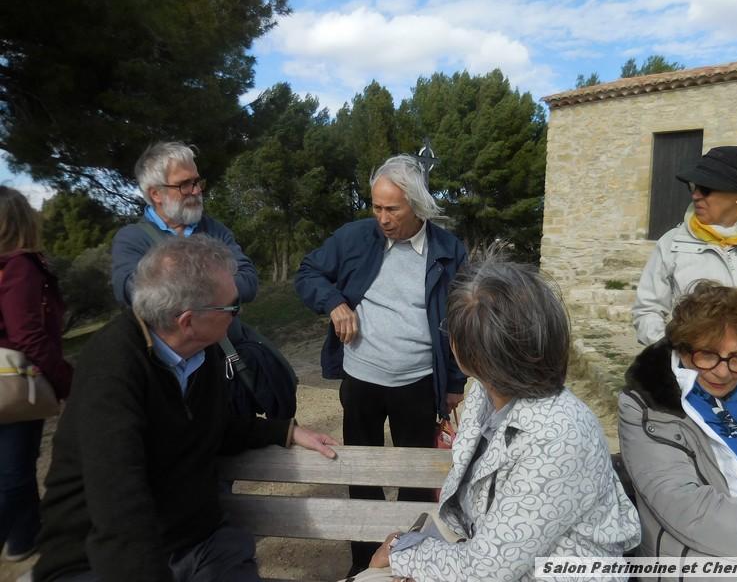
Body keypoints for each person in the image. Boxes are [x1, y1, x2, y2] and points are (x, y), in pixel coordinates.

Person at [33, 236, 337, 582]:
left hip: (196, 542)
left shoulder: (201, 352)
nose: (238, 314)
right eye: (232, 307)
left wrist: (284, 431)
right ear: (188, 321)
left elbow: (211, 425)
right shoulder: (112, 365)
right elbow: (119, 502)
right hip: (98, 557)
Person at [367, 260, 640, 581]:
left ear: (464, 352)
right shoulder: (484, 396)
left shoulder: (557, 434)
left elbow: (488, 570)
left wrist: (403, 551)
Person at [294, 154, 467, 575]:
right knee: (361, 475)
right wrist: (334, 303)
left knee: (416, 479)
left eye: (393, 209)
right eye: (376, 207)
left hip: (418, 383)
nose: (383, 219)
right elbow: (308, 273)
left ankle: (406, 565)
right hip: (361, 381)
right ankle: (362, 566)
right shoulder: (354, 237)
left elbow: (461, 319)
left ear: (418, 206)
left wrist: (454, 381)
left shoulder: (448, 250)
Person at [620, 281, 737, 564]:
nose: (722, 372)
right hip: (716, 562)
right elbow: (691, 511)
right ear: (682, 349)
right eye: (707, 354)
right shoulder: (649, 407)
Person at [632, 145, 737, 362]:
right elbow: (647, 311)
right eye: (693, 187)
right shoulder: (671, 244)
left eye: (706, 189)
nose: (695, 195)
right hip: (688, 373)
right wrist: (678, 355)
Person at [0, 186, 72, 563]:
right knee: (14, 474)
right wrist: (66, 380)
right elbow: (28, 334)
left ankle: (24, 537)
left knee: (15, 468)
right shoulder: (20, 266)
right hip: (11, 382)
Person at [111, 141, 258, 313]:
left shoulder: (213, 229)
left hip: (227, 331)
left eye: (197, 182)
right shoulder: (132, 239)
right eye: (185, 184)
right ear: (156, 194)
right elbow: (131, 291)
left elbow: (248, 280)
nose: (196, 191)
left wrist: (174, 284)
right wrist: (218, 285)